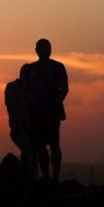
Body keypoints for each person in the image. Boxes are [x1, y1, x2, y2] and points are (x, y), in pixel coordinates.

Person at [26, 38, 68, 181]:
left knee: (54, 145)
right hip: (36, 112)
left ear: (50, 50)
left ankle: (55, 176)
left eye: (46, 47)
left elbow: (65, 89)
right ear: (36, 50)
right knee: (40, 146)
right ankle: (45, 176)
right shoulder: (30, 69)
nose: (44, 50)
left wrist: (56, 103)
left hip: (51, 112)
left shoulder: (58, 67)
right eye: (41, 48)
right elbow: (25, 90)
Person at [5, 64, 37, 179]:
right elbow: (12, 107)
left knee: (29, 152)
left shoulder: (30, 90)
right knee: (30, 151)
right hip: (18, 129)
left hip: (27, 129)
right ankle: (29, 177)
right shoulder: (13, 88)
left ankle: (28, 176)